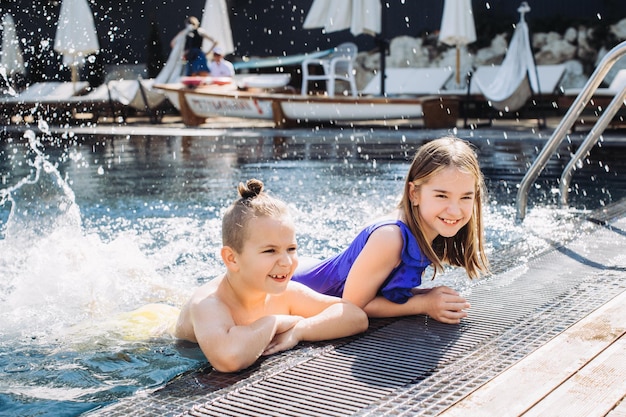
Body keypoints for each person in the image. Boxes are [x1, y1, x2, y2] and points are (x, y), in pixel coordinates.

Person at [174, 179, 368, 373]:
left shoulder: (286, 294)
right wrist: (275, 321)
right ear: (232, 259)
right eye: (270, 251)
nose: (286, 262)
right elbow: (228, 358)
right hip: (156, 334)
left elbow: (355, 316)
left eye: (291, 249)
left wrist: (299, 331)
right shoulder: (208, 303)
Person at [293, 137, 490, 324]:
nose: (455, 210)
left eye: (465, 197)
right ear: (414, 194)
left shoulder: (429, 228)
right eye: (441, 196)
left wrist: (427, 295)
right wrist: (424, 304)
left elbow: (379, 291)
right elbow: (352, 306)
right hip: (289, 288)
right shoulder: (391, 237)